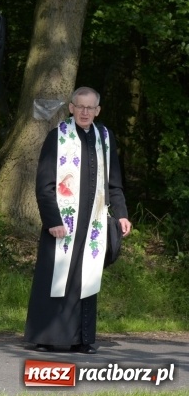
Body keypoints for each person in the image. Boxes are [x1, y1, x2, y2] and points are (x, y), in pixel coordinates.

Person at [24, 87, 132, 354]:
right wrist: (53, 219)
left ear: (97, 111)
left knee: (87, 278)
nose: (85, 112)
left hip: (93, 221)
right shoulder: (58, 137)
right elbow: (45, 185)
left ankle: (82, 339)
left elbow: (114, 183)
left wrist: (121, 214)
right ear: (71, 108)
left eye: (90, 108)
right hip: (63, 221)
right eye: (80, 106)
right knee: (57, 276)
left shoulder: (105, 138)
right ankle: (47, 337)